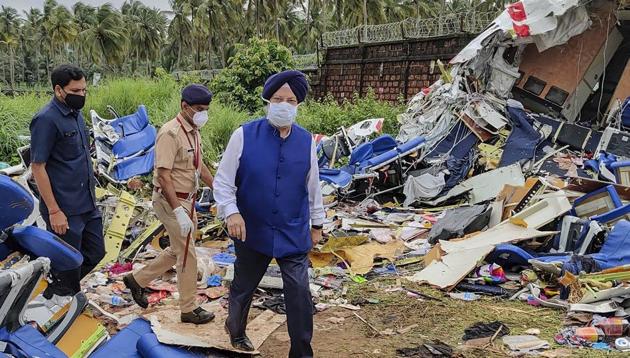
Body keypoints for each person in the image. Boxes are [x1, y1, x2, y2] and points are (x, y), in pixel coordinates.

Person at [214, 70, 324, 357]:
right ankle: (235, 329)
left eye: (290, 99)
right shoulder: (244, 135)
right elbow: (223, 181)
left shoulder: (306, 141)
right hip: (252, 228)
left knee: (299, 292)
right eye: (278, 98)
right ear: (268, 101)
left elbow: (313, 185)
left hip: (292, 227)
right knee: (244, 285)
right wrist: (231, 213)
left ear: (298, 104)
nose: (284, 104)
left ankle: (301, 351)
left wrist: (317, 223)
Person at [123, 84, 215, 324]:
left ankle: (137, 280)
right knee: (187, 255)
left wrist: (219, 188)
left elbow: (198, 166)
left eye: (205, 109)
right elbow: (163, 176)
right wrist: (177, 211)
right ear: (184, 106)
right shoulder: (169, 133)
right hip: (170, 201)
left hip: (189, 201)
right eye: (198, 108)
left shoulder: (193, 131)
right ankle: (188, 309)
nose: (202, 113)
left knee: (178, 250)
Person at [30, 64, 104, 298]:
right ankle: (62, 300)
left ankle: (56, 290)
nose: (81, 95)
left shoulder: (76, 115)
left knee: (96, 252)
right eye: (76, 91)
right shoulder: (46, 120)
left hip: (87, 203)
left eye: (84, 91)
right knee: (68, 264)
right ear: (59, 90)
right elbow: (38, 167)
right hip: (65, 209)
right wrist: (54, 211)